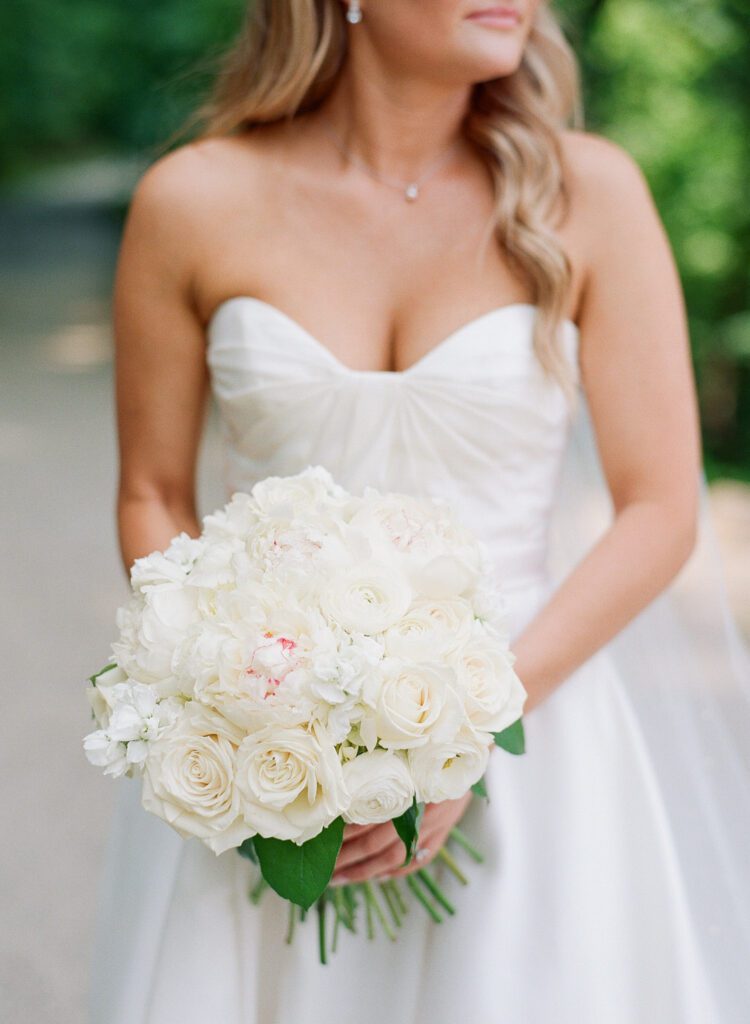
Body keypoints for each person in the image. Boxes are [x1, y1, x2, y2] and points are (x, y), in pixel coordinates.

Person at [89, 2, 750, 1022]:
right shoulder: (193, 200)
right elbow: (154, 493)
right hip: (274, 750)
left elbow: (662, 507)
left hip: (539, 724)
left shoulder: (590, 193)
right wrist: (249, 711)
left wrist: (470, 726)